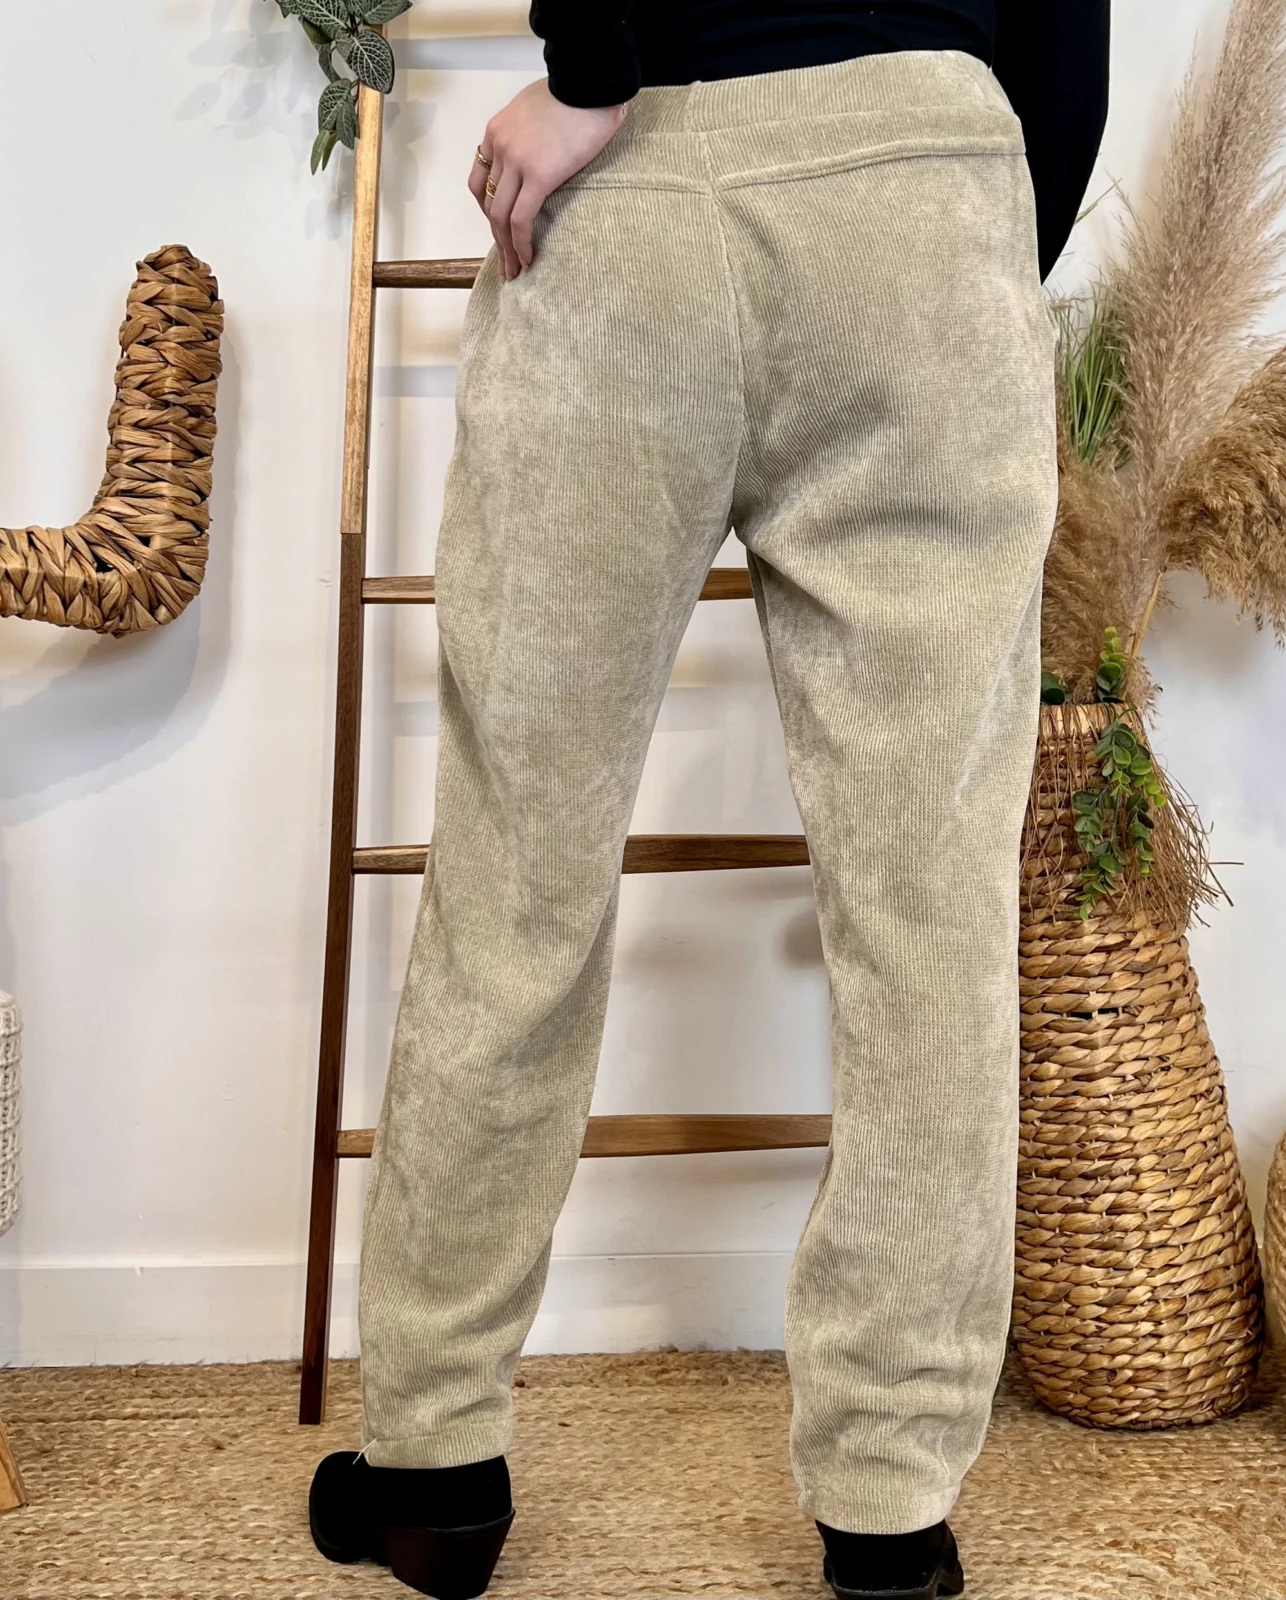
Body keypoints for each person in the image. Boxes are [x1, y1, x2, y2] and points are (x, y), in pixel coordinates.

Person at [309, 5, 1110, 1598]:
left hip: (650, 173)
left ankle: (437, 1462)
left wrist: (593, 66)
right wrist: (966, 210)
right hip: (937, 176)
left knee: (522, 857)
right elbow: (1065, 32)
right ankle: (890, 1507)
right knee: (930, 909)